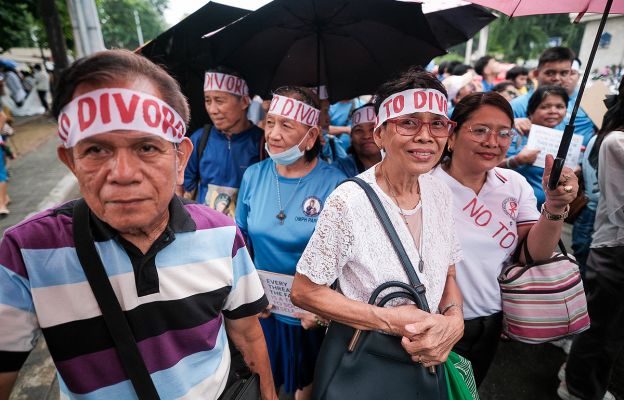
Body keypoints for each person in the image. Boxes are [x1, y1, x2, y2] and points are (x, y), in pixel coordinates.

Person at [0, 50, 278, 400]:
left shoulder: (221, 234)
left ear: (180, 159)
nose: (123, 175)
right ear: (71, 162)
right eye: (96, 150)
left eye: (146, 147)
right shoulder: (26, 254)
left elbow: (248, 335)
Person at [292, 68, 464, 381]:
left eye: (437, 123)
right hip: (366, 364)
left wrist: (454, 320)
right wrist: (388, 320)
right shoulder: (347, 202)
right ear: (379, 134)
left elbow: (448, 271)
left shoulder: (440, 190)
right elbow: (305, 292)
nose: (425, 135)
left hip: (425, 363)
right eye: (409, 122)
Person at [432, 91, 578, 386]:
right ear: (452, 133)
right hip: (437, 321)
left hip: (492, 320)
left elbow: (530, 255)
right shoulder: (424, 183)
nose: (492, 142)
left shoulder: (513, 183)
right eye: (480, 130)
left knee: (470, 390)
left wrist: (555, 206)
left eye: (503, 133)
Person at [236, 86, 346, 399]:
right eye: (270, 122)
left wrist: (324, 310)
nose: (273, 133)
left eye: (286, 125)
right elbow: (241, 242)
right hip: (264, 311)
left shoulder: (335, 183)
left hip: (312, 317)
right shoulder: (254, 176)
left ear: (311, 137)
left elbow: (344, 257)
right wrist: (249, 295)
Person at [558, 77, 624, 400]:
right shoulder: (616, 142)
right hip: (613, 247)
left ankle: (577, 376)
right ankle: (577, 386)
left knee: (607, 328)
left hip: (612, 246)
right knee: (601, 327)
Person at [182, 67, 263, 218]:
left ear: (244, 101)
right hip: (204, 231)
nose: (212, 110)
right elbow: (184, 189)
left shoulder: (262, 143)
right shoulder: (200, 139)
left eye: (219, 101)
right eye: (208, 100)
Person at [511, 47, 595, 146]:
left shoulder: (583, 102)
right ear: (536, 74)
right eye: (550, 73)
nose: (557, 78)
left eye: (564, 73)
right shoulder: (516, 106)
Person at [505, 85, 569, 208]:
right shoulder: (514, 131)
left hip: (542, 211)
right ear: (531, 110)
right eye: (545, 107)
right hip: (510, 206)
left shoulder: (564, 134)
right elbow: (489, 167)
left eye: (560, 106)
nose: (553, 111)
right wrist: (516, 161)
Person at [334, 104, 381, 177]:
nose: (366, 136)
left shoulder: (401, 164)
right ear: (351, 137)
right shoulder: (338, 170)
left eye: (372, 129)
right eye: (358, 130)